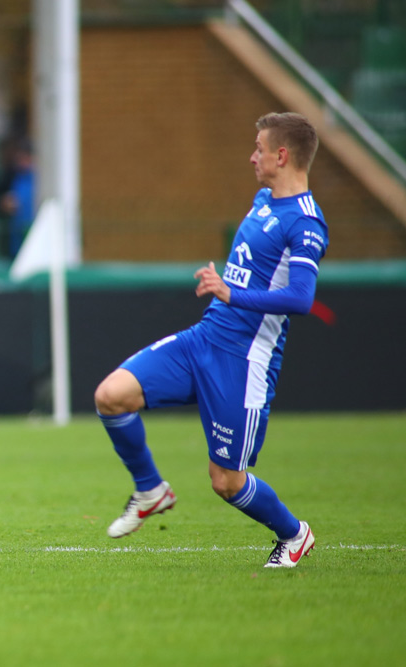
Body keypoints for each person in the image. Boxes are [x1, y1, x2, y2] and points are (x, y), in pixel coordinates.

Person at [93, 112, 328, 568]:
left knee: (226, 482)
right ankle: (150, 490)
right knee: (111, 395)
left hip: (243, 361)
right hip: (203, 338)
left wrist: (231, 292)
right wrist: (227, 287)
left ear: (282, 155)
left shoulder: (306, 223)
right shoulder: (263, 200)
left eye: (259, 149)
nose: (252, 157)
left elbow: (301, 298)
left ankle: (294, 534)